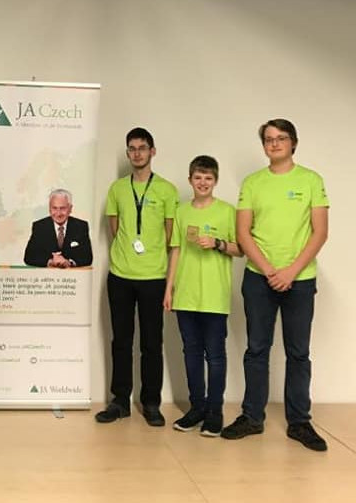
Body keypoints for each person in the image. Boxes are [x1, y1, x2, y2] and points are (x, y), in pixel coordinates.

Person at [221, 119, 329, 452]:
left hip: (300, 279)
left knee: (298, 352)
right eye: (268, 139)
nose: (275, 143)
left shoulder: (311, 180)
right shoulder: (253, 183)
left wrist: (291, 272)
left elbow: (320, 232)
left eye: (281, 138)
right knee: (257, 349)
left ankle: (300, 422)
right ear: (264, 145)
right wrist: (270, 271)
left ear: (293, 142)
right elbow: (243, 233)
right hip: (259, 278)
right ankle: (252, 417)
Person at [95, 127, 179, 426]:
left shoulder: (167, 190)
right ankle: (120, 400)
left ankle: (151, 402)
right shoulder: (117, 189)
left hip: (153, 277)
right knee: (121, 340)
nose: (137, 153)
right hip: (120, 275)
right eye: (132, 148)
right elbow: (114, 229)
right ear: (128, 153)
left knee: (151, 344)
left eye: (142, 148)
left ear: (152, 151)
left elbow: (170, 237)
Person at [163, 155, 242, 437]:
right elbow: (176, 250)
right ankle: (196, 408)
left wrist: (218, 243)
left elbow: (240, 249)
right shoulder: (181, 212)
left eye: (208, 178)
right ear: (190, 180)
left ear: (215, 181)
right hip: (186, 294)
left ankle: (214, 412)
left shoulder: (227, 212)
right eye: (198, 177)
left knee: (215, 356)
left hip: (214, 296)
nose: (203, 182)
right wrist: (169, 288)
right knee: (191, 353)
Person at [23, 189, 93, 268]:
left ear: (70, 208)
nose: (58, 213)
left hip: (72, 275)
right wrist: (50, 262)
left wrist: (69, 263)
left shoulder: (81, 226)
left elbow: (87, 257)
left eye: (62, 208)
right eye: (54, 208)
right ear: (49, 209)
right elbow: (29, 257)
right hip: (46, 275)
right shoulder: (39, 227)